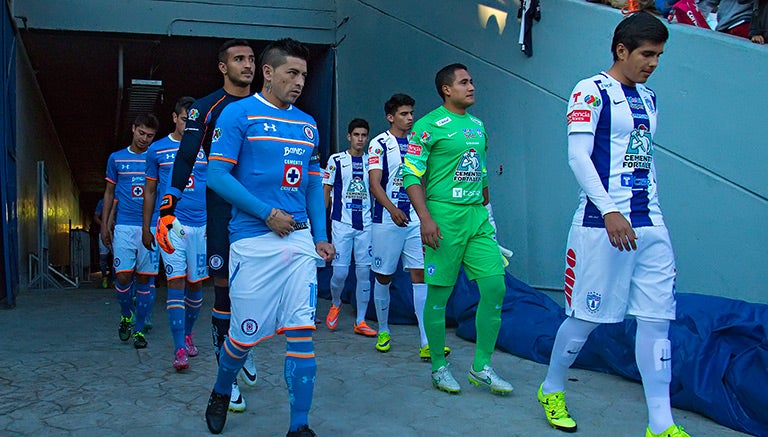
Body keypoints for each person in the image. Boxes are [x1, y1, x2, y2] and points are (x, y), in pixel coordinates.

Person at [536, 12, 689, 437]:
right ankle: (551, 388)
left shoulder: (650, 97)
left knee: (657, 321)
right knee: (586, 318)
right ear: (621, 50)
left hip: (650, 223)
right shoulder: (590, 90)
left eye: (659, 55)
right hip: (601, 223)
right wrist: (609, 210)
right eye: (646, 54)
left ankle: (661, 424)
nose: (653, 62)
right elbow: (578, 157)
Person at [203, 37, 334, 437]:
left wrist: (320, 236)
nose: (298, 82)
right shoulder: (238, 114)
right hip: (251, 239)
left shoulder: (308, 124)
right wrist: (266, 213)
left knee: (301, 331)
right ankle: (222, 390)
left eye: (304, 76)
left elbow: (313, 186)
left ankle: (299, 427)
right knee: (243, 338)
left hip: (296, 240)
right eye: (291, 73)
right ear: (268, 72)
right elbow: (216, 175)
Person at [159, 39, 257, 410]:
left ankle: (243, 344)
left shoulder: (267, 107)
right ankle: (226, 377)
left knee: (254, 293)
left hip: (261, 212)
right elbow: (185, 157)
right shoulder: (205, 108)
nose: (247, 65)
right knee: (224, 290)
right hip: (220, 213)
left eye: (251, 59)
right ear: (222, 67)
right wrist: (169, 205)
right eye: (238, 59)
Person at [402, 64, 512, 396]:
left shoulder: (478, 126)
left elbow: (481, 174)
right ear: (446, 89)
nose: (471, 87)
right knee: (439, 295)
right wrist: (425, 219)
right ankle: (438, 366)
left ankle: (481, 366)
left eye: (472, 81)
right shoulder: (427, 126)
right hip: (443, 218)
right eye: (464, 82)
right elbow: (411, 175)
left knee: (495, 288)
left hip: (477, 217)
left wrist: (489, 216)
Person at [367, 94, 451, 359]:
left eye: (411, 113)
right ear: (391, 117)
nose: (410, 118)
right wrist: (392, 210)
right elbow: (374, 183)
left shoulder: (418, 143)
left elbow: (423, 179)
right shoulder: (379, 143)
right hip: (386, 220)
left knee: (420, 275)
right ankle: (382, 329)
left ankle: (426, 340)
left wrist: (427, 214)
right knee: (384, 276)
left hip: (414, 221)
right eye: (404, 114)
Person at [143, 96, 207, 371]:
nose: (189, 124)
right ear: (174, 117)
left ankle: (189, 333)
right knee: (176, 283)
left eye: (194, 121)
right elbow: (150, 191)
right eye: (184, 119)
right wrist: (148, 226)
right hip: (171, 225)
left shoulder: (207, 149)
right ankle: (179, 347)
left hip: (202, 226)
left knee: (196, 285)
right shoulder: (157, 150)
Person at [101, 113, 160, 349]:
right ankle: (126, 314)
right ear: (133, 129)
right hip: (124, 225)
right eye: (142, 133)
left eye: (150, 136)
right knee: (123, 276)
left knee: (145, 279)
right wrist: (106, 224)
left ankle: (139, 330)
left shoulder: (155, 158)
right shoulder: (116, 158)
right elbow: (109, 193)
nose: (145, 139)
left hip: (152, 225)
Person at [322, 118, 376, 337]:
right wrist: (320, 223)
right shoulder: (336, 160)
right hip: (341, 224)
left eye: (364, 135)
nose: (360, 139)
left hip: (366, 224)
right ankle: (336, 303)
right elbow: (326, 190)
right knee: (340, 273)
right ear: (348, 136)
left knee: (364, 273)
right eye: (356, 135)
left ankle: (361, 320)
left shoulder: (372, 162)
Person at [93, 198, 113, 289]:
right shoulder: (101, 202)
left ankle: (115, 280)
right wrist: (104, 225)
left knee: (117, 257)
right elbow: (96, 217)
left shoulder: (120, 199)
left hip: (117, 232)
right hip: (104, 232)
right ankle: (104, 277)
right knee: (103, 257)